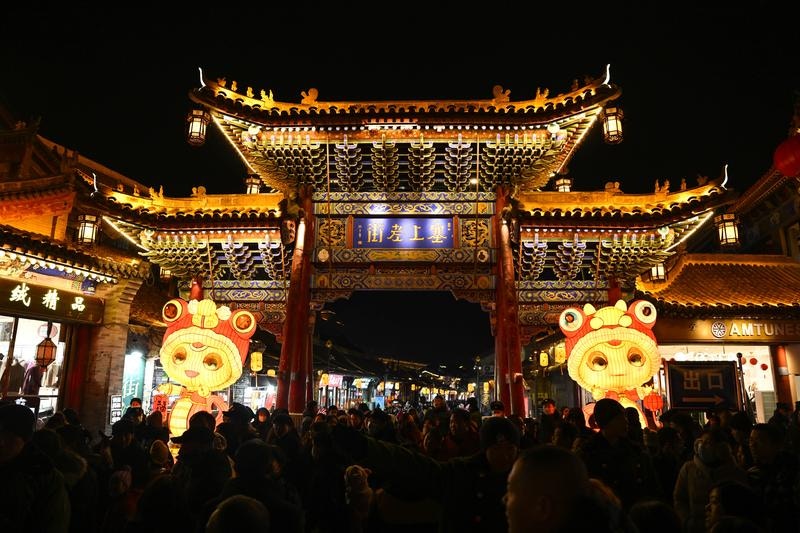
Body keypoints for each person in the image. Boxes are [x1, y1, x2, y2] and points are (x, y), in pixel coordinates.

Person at [334, 414, 521, 531]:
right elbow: (414, 464)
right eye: (496, 449)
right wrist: (367, 447)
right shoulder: (462, 472)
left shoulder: (527, 478)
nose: (504, 455)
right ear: (485, 449)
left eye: (510, 449)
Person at [575, 398, 662, 510]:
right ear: (607, 422)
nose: (626, 422)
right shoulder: (588, 452)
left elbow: (651, 486)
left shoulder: (636, 450)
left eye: (625, 417)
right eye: (620, 418)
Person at [0, 402, 71, 532]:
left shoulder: (44, 476)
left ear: (25, 439)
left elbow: (53, 523)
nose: (2, 442)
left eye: (10, 436)